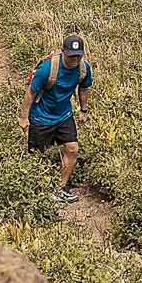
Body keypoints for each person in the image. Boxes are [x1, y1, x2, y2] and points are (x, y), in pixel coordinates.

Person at [26, 31, 94, 204]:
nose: (74, 60)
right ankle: (35, 189)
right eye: (71, 56)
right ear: (63, 51)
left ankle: (60, 187)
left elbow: (84, 88)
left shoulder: (83, 68)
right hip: (41, 117)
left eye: (78, 57)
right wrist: (23, 117)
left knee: (72, 148)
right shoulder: (47, 68)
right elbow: (31, 93)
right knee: (36, 156)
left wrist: (83, 110)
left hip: (64, 115)